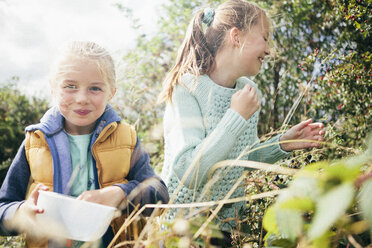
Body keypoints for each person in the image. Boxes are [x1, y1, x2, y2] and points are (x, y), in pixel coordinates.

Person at [159, 0, 324, 246]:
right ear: (236, 36)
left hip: (226, 228)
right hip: (182, 229)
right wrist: (236, 116)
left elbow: (241, 160)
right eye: (265, 38)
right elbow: (189, 172)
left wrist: (283, 143)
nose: (269, 50)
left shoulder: (249, 91)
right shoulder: (187, 88)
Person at [0, 41, 169, 247]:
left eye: (95, 88)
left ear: (111, 93)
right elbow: (3, 207)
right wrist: (22, 212)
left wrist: (119, 194)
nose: (82, 98)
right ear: (53, 89)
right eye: (70, 86)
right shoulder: (35, 142)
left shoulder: (127, 138)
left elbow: (160, 195)